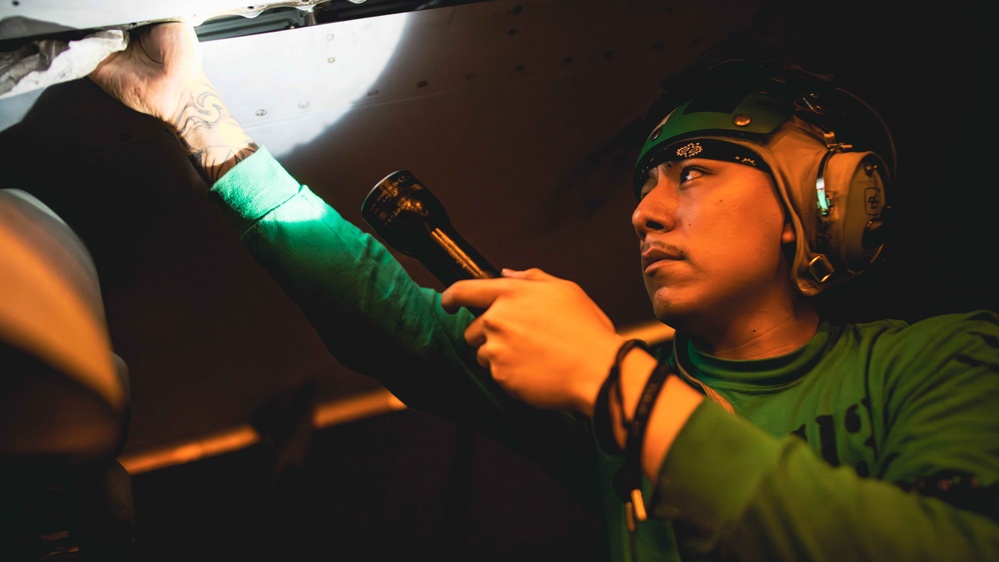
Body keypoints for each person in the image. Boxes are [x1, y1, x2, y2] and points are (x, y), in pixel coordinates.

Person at [88, 21, 999, 561]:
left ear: (823, 204)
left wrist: (612, 380)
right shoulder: (611, 407)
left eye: (692, 173)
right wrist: (191, 111)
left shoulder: (943, 360)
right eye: (643, 185)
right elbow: (389, 317)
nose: (644, 211)